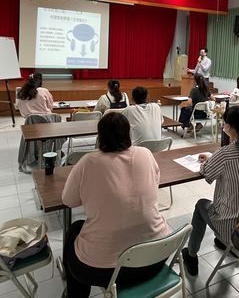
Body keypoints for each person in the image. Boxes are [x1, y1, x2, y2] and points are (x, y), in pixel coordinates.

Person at [61, 112, 171, 297]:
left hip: (105, 270)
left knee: (75, 229)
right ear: (128, 134)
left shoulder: (88, 161)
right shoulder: (145, 153)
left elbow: (68, 201)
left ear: (100, 136)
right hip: (157, 257)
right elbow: (154, 183)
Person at [181, 106, 239, 275]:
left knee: (200, 206)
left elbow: (206, 172)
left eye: (224, 123)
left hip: (233, 228)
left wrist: (211, 159)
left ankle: (191, 255)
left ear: (229, 127)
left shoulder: (225, 154)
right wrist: (215, 157)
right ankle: (221, 241)